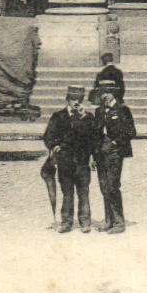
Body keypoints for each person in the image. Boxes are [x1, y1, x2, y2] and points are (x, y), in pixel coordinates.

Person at [43, 85, 99, 233]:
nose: (76, 102)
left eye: (79, 99)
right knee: (67, 193)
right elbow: (48, 136)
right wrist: (55, 146)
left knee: (83, 193)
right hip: (65, 162)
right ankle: (66, 222)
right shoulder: (58, 116)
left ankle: (85, 222)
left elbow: (94, 137)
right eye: (73, 99)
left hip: (82, 161)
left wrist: (84, 118)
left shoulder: (88, 117)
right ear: (67, 99)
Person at [92, 88, 136, 234]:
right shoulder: (99, 111)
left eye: (108, 93)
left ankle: (119, 222)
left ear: (114, 94)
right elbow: (95, 135)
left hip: (115, 152)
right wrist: (94, 155)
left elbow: (131, 132)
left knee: (112, 186)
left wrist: (115, 142)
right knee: (104, 187)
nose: (105, 96)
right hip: (100, 153)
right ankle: (108, 221)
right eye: (102, 93)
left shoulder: (123, 110)